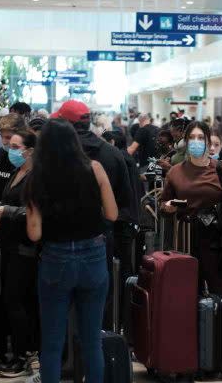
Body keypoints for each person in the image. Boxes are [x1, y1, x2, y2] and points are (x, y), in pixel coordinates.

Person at [24, 118, 118, 383]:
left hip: (56, 261)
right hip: (93, 259)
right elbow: (111, 213)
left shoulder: (37, 178)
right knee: (91, 341)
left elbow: (35, 233)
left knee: (52, 344)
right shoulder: (95, 168)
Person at [51, 100, 133, 331]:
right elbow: (124, 204)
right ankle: (101, 352)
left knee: (60, 309)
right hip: (100, 243)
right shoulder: (112, 154)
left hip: (59, 244)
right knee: (97, 309)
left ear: (66, 124)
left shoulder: (53, 157)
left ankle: (67, 360)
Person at [160, 121, 222, 295]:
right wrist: (167, 208)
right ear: (186, 141)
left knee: (219, 294)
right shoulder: (175, 172)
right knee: (186, 295)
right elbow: (163, 203)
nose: (196, 141)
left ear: (207, 141)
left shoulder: (221, 168)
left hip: (215, 241)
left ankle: (220, 322)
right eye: (191, 138)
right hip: (184, 240)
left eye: (200, 137)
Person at [0, 129, 39, 377]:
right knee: (13, 301)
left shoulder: (35, 177)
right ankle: (20, 353)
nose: (10, 150)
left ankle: (26, 353)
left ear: (29, 151)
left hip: (26, 249)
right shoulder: (15, 172)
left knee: (18, 300)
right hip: (10, 245)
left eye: (15, 146)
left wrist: (6, 211)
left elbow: (32, 211)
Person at [102, 129, 143, 328]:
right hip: (130, 220)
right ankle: (126, 321)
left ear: (111, 142)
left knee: (122, 273)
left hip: (122, 222)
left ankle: (123, 320)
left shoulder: (118, 162)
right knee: (126, 270)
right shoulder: (127, 159)